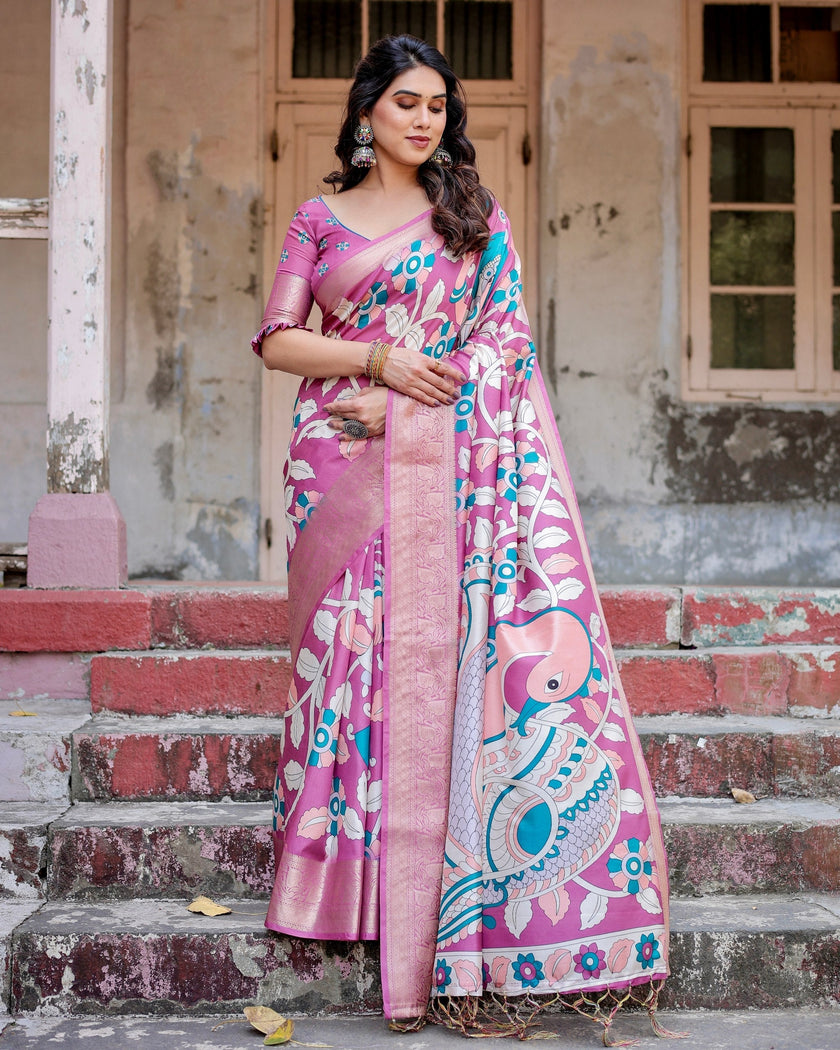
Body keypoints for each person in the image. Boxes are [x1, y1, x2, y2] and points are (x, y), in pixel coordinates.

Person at [252, 35, 674, 1043]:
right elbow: (276, 339)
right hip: (336, 459)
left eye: (438, 104)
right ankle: (340, 886)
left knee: (428, 664)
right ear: (366, 112)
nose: (424, 118)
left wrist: (407, 403)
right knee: (346, 665)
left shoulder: (473, 220)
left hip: (442, 455)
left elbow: (505, 346)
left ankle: (435, 884)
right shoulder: (318, 219)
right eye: (406, 101)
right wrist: (379, 366)